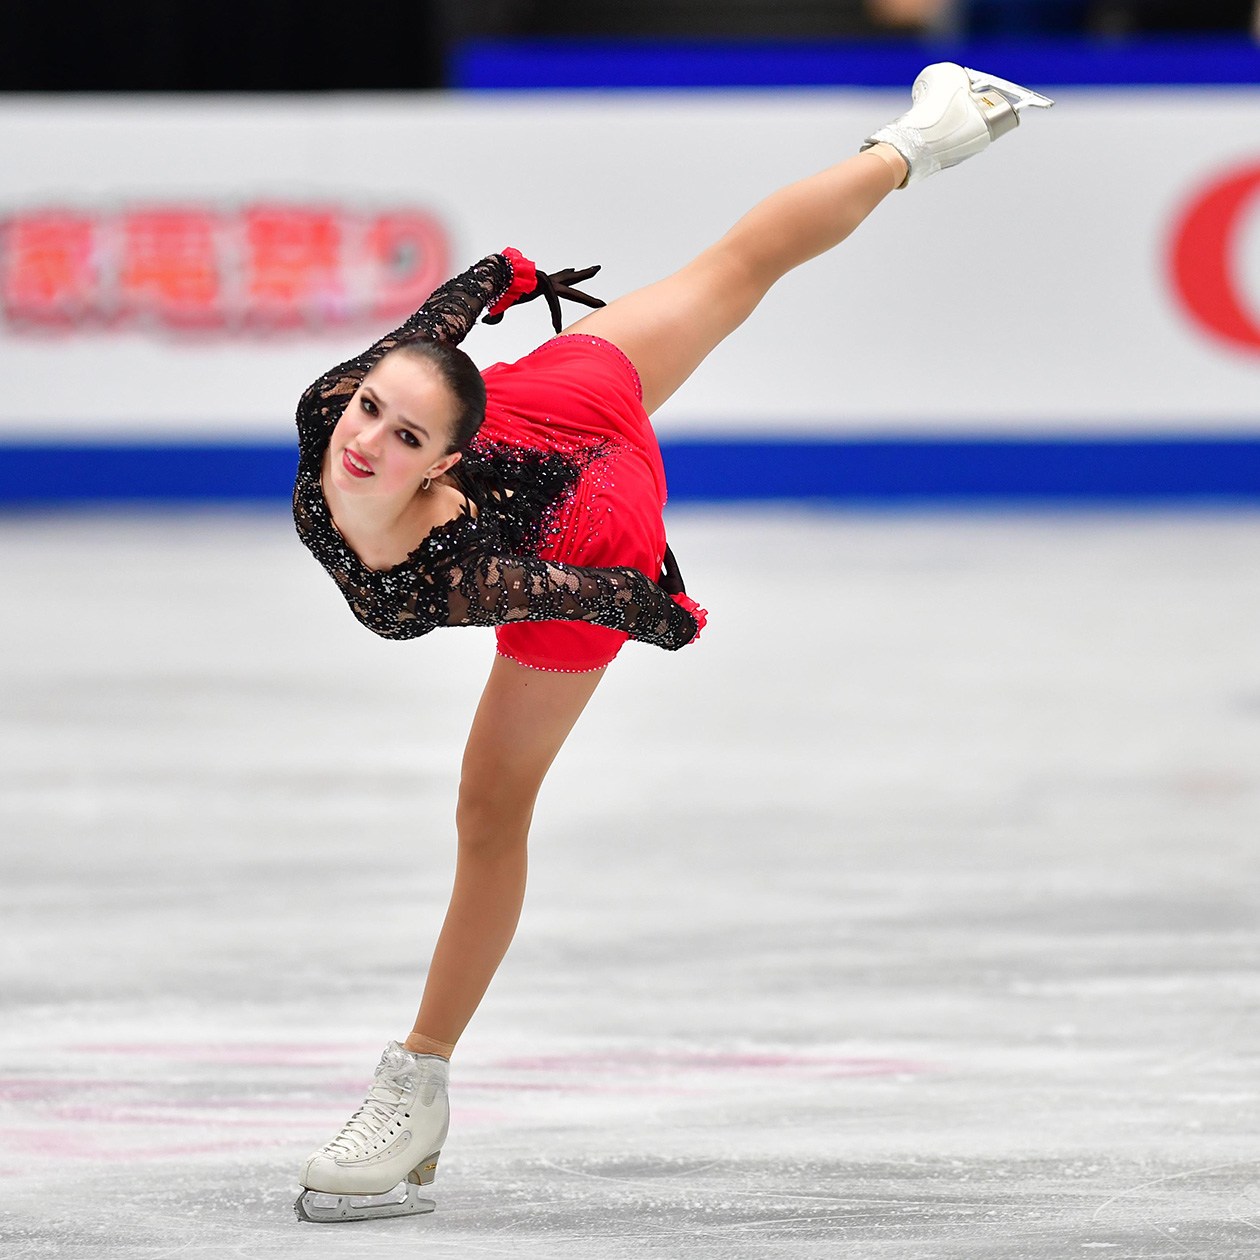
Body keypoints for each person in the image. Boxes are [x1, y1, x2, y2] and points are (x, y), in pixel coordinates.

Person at [291, 63, 1052, 1224]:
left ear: (442, 462)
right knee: (731, 273)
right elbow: (438, 324)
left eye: (400, 436)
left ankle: (417, 1082)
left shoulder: (464, 572)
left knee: (489, 809)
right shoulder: (336, 409)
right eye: (366, 414)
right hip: (542, 399)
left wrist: (665, 608)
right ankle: (928, 135)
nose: (364, 441)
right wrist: (508, 277)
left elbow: (607, 599)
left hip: (589, 521)